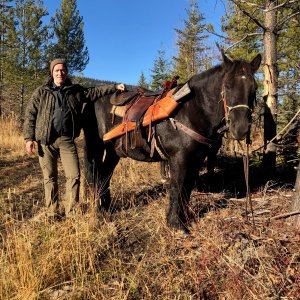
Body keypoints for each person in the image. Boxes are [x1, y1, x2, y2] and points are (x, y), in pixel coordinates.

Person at [23, 58, 125, 219]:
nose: (60, 73)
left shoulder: (75, 91)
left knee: (74, 175)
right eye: (56, 70)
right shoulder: (41, 92)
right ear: (52, 72)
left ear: (66, 72)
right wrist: (29, 138)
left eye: (63, 70)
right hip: (45, 141)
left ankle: (71, 212)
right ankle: (52, 212)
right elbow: (30, 115)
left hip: (66, 140)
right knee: (50, 178)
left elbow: (94, 92)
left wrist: (114, 87)